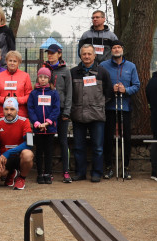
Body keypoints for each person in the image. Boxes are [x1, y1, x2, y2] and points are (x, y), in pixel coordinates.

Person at [70, 44, 113, 182]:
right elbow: (69, 94)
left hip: (97, 115)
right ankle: (80, 173)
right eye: (84, 54)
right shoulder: (73, 72)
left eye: (89, 54)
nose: (87, 56)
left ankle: (96, 173)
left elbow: (109, 93)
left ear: (94, 55)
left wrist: (98, 105)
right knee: (78, 147)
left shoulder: (102, 72)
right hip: (78, 115)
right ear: (80, 55)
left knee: (98, 147)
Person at [103, 41, 140, 180]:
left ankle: (125, 167)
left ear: (122, 49)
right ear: (111, 50)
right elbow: (100, 85)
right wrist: (110, 89)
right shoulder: (104, 66)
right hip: (109, 107)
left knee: (126, 138)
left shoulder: (131, 66)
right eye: (114, 48)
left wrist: (126, 90)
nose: (116, 49)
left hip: (125, 107)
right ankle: (108, 167)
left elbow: (136, 85)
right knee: (107, 138)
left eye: (118, 47)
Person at [0, 97, 34, 190]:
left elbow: (30, 143)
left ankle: (21, 178)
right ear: (2, 110)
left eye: (12, 109)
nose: (9, 112)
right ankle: (11, 173)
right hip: (5, 158)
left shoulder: (25, 121)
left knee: (28, 154)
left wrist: (8, 152)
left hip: (19, 156)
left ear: (17, 110)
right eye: (6, 109)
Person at [42, 42, 73, 182]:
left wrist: (67, 112)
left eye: (53, 53)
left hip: (61, 111)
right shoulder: (44, 68)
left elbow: (69, 92)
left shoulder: (66, 71)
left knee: (63, 141)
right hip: (47, 111)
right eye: (48, 53)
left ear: (59, 54)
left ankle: (66, 171)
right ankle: (48, 171)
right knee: (48, 141)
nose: (50, 55)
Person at [27, 67, 61, 184]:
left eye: (45, 77)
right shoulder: (33, 93)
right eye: (40, 77)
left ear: (49, 79)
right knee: (39, 151)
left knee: (48, 152)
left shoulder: (53, 92)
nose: (42, 79)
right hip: (38, 127)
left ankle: (48, 172)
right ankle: (40, 173)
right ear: (38, 78)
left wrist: (48, 122)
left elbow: (56, 109)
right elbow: (30, 109)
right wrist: (36, 123)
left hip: (50, 128)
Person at [0, 50, 33, 118]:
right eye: (10, 60)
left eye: (15, 61)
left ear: (19, 63)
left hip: (20, 113)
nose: (12, 63)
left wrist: (18, 100)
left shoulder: (25, 76)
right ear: (6, 61)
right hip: (3, 113)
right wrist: (4, 99)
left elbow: (29, 95)